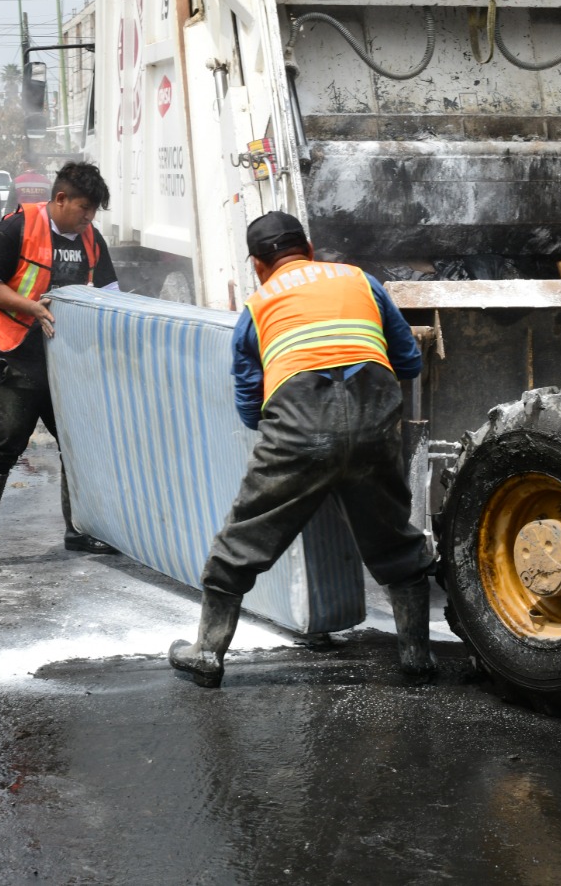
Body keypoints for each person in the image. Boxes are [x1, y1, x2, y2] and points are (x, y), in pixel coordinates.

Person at [168, 211, 433, 689]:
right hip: (375, 423)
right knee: (393, 536)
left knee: (244, 536)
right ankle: (416, 655)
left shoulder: (258, 304)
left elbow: (250, 404)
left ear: (257, 265)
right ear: (308, 249)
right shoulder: (360, 281)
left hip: (299, 430)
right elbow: (409, 361)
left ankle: (206, 652)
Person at [0, 160, 121, 573]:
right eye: (84, 208)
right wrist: (31, 307)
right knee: (4, 441)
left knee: (76, 442)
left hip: (63, 358)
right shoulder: (16, 227)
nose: (88, 218)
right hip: (8, 351)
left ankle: (78, 528)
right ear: (61, 198)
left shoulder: (91, 238)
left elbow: (111, 293)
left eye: (93, 212)